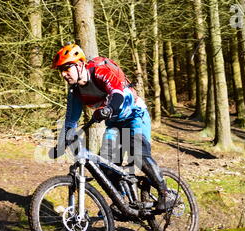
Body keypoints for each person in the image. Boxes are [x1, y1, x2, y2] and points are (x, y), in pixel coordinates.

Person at [49, 43, 169, 213]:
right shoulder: (75, 92)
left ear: (80, 64)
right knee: (106, 165)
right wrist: (62, 143)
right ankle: (121, 201)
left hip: (135, 115)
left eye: (66, 68)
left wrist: (109, 108)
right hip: (114, 124)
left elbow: (117, 94)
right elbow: (70, 122)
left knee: (137, 153)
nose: (63, 74)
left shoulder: (99, 71)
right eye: (60, 70)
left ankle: (164, 192)